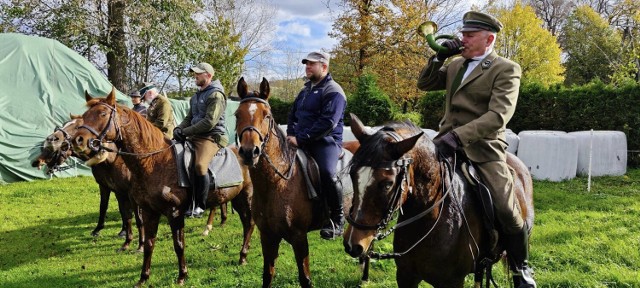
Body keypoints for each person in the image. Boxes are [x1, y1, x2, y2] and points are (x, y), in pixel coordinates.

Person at [417, 11, 535, 287]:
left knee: (506, 209)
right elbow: (424, 84)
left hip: (483, 147)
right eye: (463, 34)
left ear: (489, 39)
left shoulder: (506, 68)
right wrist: (439, 57)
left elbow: (498, 116)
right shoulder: (456, 64)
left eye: (469, 35)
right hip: (444, 142)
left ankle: (521, 268)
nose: (463, 39)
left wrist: (459, 137)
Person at [286, 51, 347, 240]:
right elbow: (292, 114)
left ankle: (337, 219)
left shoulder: (334, 90)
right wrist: (289, 134)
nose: (307, 67)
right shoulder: (305, 91)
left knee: (327, 174)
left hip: (325, 142)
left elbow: (328, 122)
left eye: (312, 64)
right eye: (306, 64)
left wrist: (301, 139)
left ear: (324, 67)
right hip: (300, 139)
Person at [173, 62, 228, 218]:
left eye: (198, 73)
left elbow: (209, 122)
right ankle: (186, 200)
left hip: (212, 137)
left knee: (199, 165)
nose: (195, 76)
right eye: (194, 73)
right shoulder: (195, 97)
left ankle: (200, 205)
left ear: (208, 76)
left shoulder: (216, 95)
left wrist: (186, 131)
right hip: (195, 135)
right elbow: (189, 118)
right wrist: (178, 129)